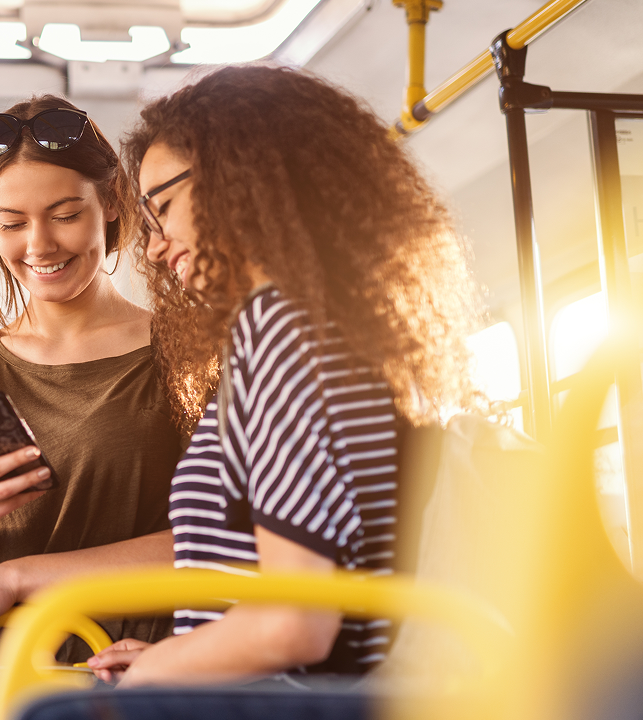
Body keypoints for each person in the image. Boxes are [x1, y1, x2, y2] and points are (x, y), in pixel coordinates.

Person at [84, 65, 481, 686]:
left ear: (236, 179)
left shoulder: (282, 331)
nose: (156, 248)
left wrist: (155, 670)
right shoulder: (335, 324)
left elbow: (296, 623)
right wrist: (188, 652)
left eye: (163, 208)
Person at [0, 96, 184, 666]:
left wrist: (19, 578)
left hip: (134, 675)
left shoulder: (188, 351)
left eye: (66, 215)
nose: (39, 245)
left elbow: (218, 544)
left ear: (113, 202)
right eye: (12, 223)